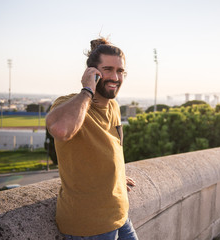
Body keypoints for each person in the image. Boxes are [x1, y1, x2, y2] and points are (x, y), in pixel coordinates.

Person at [46, 37, 139, 240]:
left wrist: (117, 176)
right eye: (107, 69)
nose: (115, 77)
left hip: (120, 215)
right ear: (91, 72)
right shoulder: (69, 104)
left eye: (120, 71)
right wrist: (88, 90)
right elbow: (61, 130)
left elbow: (113, 147)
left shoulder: (113, 106)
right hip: (90, 226)